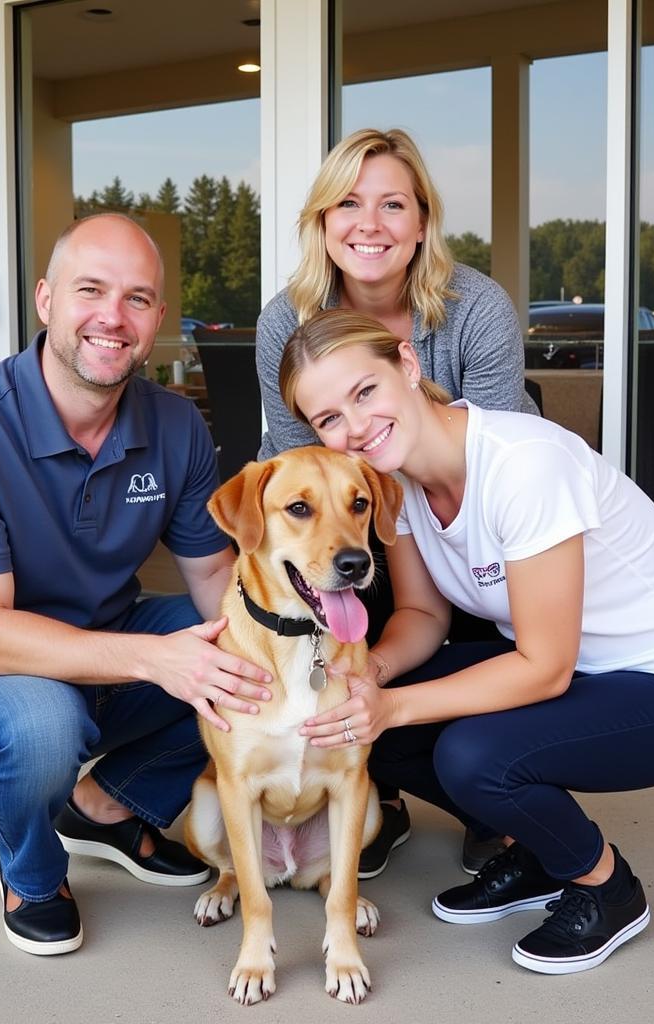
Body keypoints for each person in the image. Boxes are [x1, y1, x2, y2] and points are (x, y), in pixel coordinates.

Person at [278, 309, 654, 975]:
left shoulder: (524, 464)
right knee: (368, 723)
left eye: (365, 392)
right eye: (328, 418)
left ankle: (605, 887)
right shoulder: (398, 486)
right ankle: (539, 854)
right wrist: (375, 677)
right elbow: (422, 614)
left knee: (475, 756)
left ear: (408, 367)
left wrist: (397, 706)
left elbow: (546, 668)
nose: (354, 426)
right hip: (579, 668)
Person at [0, 213, 272, 956]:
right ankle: (33, 875)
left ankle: (104, 805)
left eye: (137, 298)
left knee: (250, 664)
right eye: (90, 290)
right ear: (45, 301)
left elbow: (213, 576)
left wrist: (277, 659)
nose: (113, 316)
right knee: (42, 724)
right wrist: (157, 662)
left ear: (159, 318)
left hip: (105, 643)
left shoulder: (174, 424)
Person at [255, 127, 537, 876]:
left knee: (481, 621)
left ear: (421, 224)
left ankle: (497, 797)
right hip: (365, 511)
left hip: (472, 515)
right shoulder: (287, 320)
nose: (369, 224)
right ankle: (377, 785)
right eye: (347, 204)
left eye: (392, 205)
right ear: (322, 221)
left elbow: (490, 462)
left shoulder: (474, 306)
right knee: (337, 590)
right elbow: (291, 469)